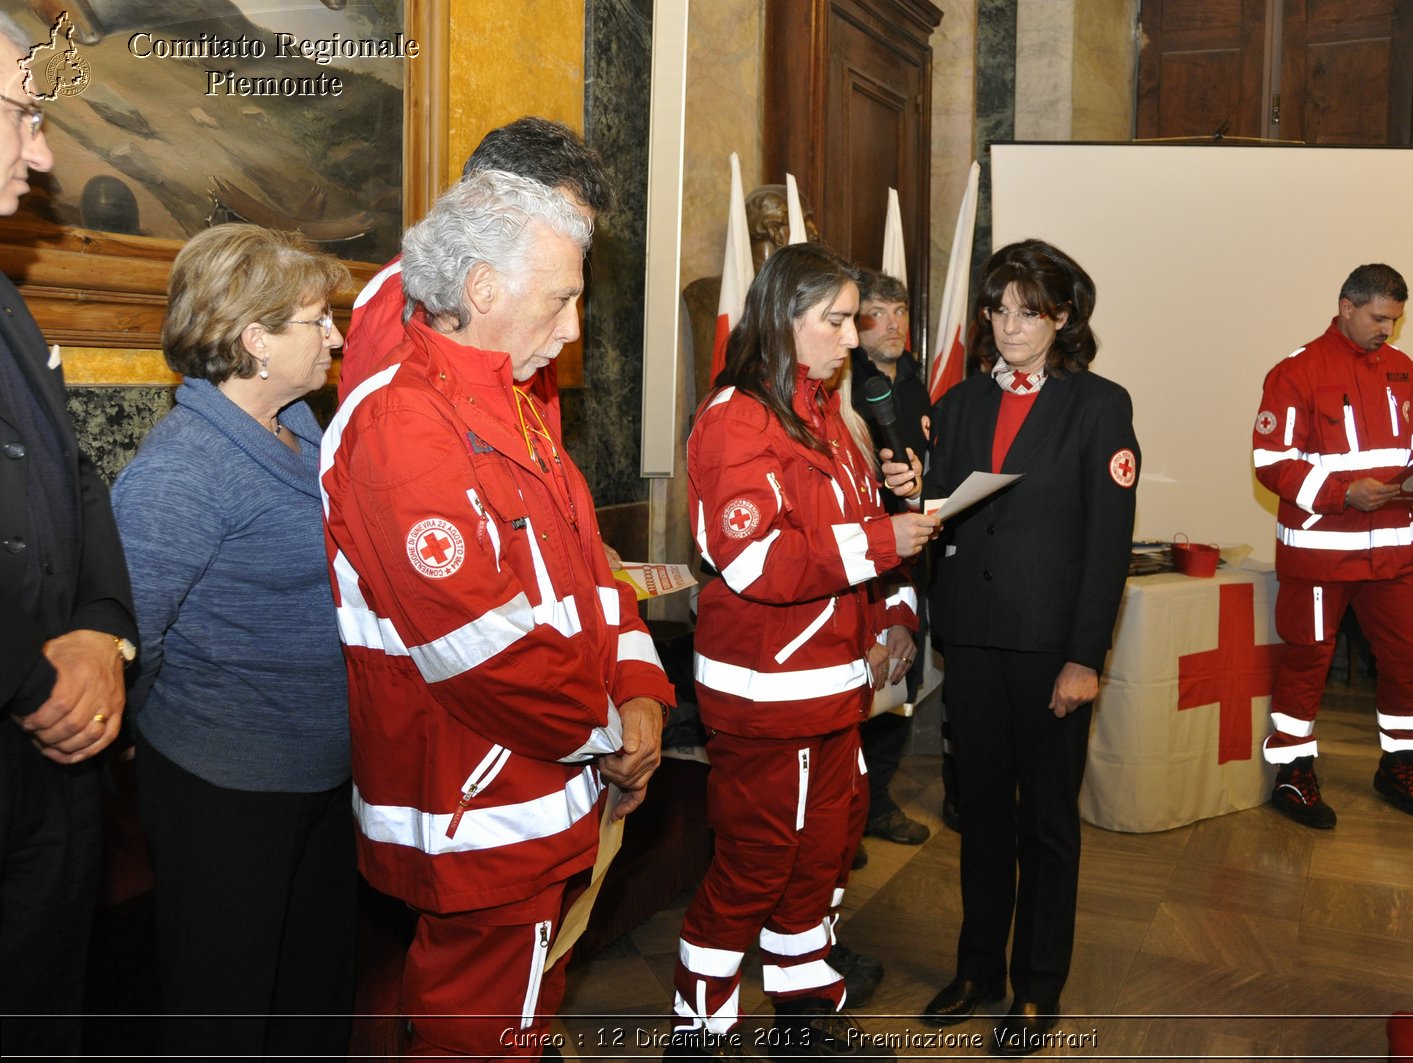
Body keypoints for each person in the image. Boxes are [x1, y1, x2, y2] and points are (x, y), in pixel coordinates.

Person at [320, 170, 674, 1057]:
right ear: (482, 289)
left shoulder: (515, 408)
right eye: (559, 300)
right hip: (476, 802)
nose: (573, 329)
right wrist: (606, 731)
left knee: (518, 1017)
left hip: (541, 786)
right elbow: (478, 650)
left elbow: (595, 575)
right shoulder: (404, 422)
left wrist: (638, 688)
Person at [667, 243, 936, 1057]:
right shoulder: (734, 420)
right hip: (767, 693)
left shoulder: (824, 414)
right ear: (785, 319)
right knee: (754, 866)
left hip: (833, 686)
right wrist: (882, 541)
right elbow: (759, 563)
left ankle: (805, 1015)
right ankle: (702, 1033)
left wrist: (894, 612)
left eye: (853, 319)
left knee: (820, 860)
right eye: (837, 319)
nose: (854, 338)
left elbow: (855, 531)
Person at [109, 224, 356, 1058]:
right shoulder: (182, 472)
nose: (336, 335)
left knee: (311, 1002)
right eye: (317, 319)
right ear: (256, 340)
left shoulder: (300, 422)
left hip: (321, 774)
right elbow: (128, 636)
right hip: (226, 789)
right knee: (226, 1012)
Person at [919, 239, 1138, 1054]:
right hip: (971, 642)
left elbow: (1108, 543)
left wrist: (1086, 657)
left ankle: (1036, 985)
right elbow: (946, 509)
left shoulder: (1099, 404)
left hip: (1052, 652)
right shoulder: (964, 399)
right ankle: (977, 968)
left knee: (1046, 824)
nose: (1009, 326)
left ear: (1063, 317)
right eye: (998, 309)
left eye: (1028, 312)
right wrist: (917, 490)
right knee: (980, 816)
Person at [0, 15, 138, 1057]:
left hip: (53, 769)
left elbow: (77, 476)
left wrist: (98, 627)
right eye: (25, 116)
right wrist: (28, 676)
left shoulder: (9, 304)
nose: (41, 153)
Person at [1251, 263, 1413, 830]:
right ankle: (1292, 771)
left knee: (1409, 658)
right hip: (1320, 552)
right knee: (1307, 661)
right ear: (1346, 306)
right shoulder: (1296, 372)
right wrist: (1342, 495)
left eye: (1396, 319)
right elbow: (1272, 463)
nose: (1388, 329)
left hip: (1393, 550)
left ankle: (1400, 765)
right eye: (1379, 317)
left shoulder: (1403, 369)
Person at [338, 115, 614, 442]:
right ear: (494, 202)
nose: (575, 243)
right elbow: (383, 440)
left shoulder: (533, 295)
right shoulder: (399, 300)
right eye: (562, 221)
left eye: (583, 232)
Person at [847, 269, 933, 848]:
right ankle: (844, 823)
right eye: (879, 312)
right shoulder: (841, 389)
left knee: (901, 679)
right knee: (856, 685)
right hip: (855, 559)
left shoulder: (917, 383)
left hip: (910, 556)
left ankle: (876, 804)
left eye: (901, 311)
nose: (895, 323)